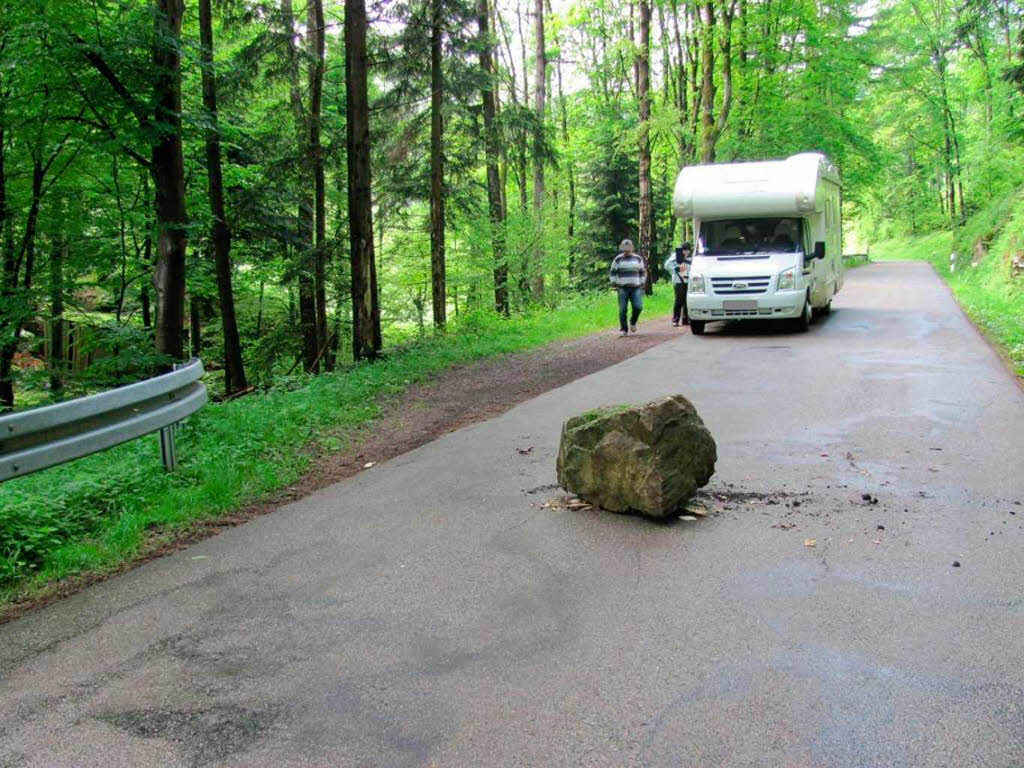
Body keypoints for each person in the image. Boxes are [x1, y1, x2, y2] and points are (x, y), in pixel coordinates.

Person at [609, 239, 646, 336]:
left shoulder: (638, 258)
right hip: (622, 288)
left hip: (636, 287)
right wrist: (613, 282)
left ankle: (633, 322)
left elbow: (642, 271)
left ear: (632, 247)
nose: (626, 250)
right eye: (624, 247)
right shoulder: (618, 259)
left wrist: (642, 282)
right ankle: (624, 329)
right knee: (622, 310)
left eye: (628, 247)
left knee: (638, 307)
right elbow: (612, 272)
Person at [664, 241, 692, 326]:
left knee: (687, 300)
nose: (686, 252)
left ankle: (685, 319)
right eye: (684, 250)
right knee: (679, 300)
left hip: (689, 281)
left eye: (687, 250)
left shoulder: (691, 257)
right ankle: (675, 320)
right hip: (678, 281)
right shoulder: (676, 256)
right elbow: (666, 265)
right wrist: (675, 269)